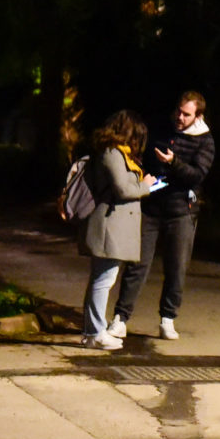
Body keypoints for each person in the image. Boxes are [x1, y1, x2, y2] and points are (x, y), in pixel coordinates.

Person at [111, 91, 214, 340]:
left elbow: (197, 175)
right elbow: (142, 155)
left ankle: (168, 318)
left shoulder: (205, 140)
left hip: (181, 211)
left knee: (176, 266)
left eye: (186, 114)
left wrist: (174, 162)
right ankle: (120, 318)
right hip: (151, 206)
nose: (180, 117)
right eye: (179, 111)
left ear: (198, 116)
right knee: (136, 264)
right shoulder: (160, 128)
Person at [78, 111, 164, 349]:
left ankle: (92, 332)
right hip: (109, 226)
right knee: (103, 280)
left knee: (103, 279)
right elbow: (123, 189)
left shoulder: (115, 152)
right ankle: (95, 332)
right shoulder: (112, 153)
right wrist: (146, 185)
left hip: (113, 225)